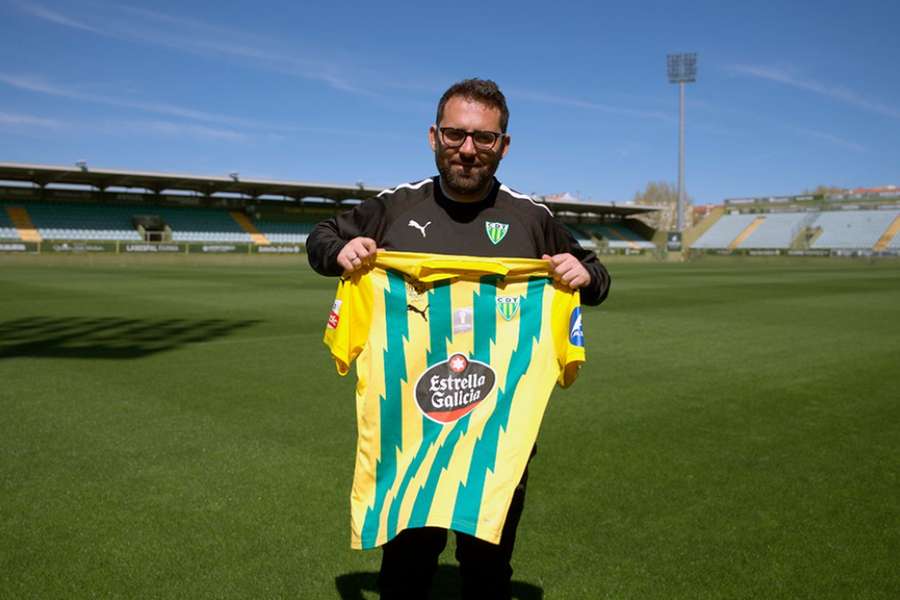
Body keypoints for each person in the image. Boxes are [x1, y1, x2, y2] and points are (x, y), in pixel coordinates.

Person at [307, 78, 611, 599]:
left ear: (503, 146)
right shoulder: (395, 207)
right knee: (405, 571)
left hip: (497, 439)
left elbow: (596, 275)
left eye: (484, 138)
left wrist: (584, 276)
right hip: (411, 438)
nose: (468, 149)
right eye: (455, 135)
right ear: (433, 137)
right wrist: (340, 252)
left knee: (488, 573)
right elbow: (320, 237)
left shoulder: (531, 218)